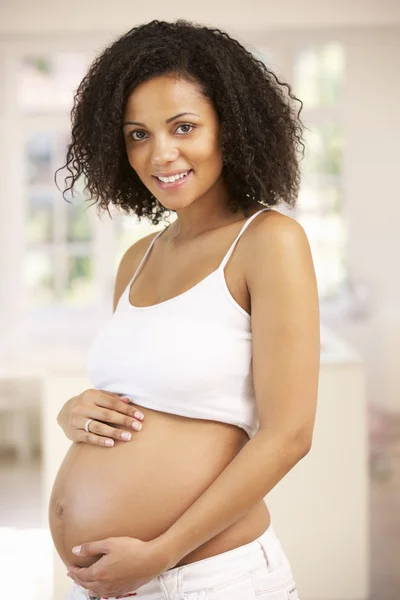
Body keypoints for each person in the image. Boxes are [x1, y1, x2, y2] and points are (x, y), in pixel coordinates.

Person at [51, 18, 320, 600]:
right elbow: (144, 392)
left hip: (203, 580)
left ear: (231, 127)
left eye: (184, 127)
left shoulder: (267, 241)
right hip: (108, 583)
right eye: (138, 134)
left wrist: (159, 553)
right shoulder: (137, 258)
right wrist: (74, 412)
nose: (160, 153)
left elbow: (289, 434)